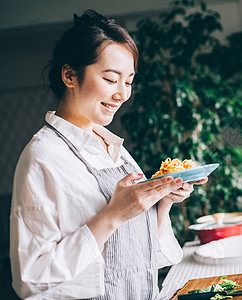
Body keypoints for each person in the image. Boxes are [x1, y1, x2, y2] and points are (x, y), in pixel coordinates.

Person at [10, 10, 207, 299]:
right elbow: (32, 279)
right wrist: (111, 216)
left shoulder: (116, 150)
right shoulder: (43, 157)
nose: (122, 94)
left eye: (128, 82)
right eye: (111, 79)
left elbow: (143, 256)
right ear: (69, 75)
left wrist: (161, 201)